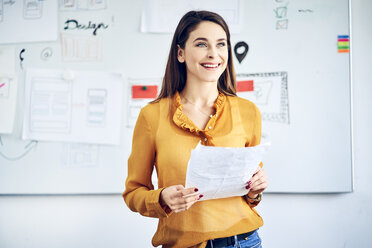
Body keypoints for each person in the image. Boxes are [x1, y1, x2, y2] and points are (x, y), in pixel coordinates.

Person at [123, 10, 268, 248]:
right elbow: (133, 193)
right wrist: (161, 198)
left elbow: (250, 194)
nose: (213, 54)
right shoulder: (152, 115)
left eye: (221, 44)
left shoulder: (248, 111)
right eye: (201, 44)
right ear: (180, 53)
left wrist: (255, 190)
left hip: (244, 241)